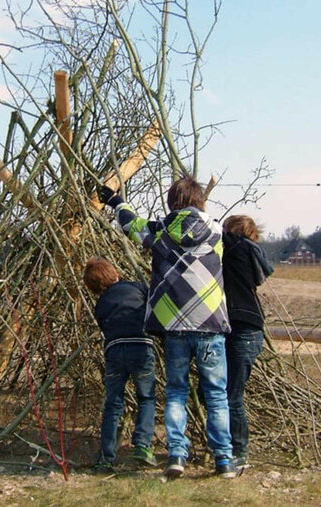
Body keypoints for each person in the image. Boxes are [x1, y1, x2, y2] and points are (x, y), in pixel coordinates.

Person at [98, 177, 237, 479]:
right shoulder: (216, 232)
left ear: (171, 202)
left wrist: (115, 201)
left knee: (176, 392)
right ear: (201, 200)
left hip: (174, 325)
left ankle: (177, 455)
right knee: (216, 395)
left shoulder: (160, 232)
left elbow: (132, 225)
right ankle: (224, 459)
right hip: (210, 323)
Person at [83, 257, 157, 471]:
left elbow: (103, 326)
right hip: (140, 347)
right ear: (114, 273)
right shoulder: (138, 288)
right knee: (146, 397)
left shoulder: (101, 303)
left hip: (114, 350)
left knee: (113, 403)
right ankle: (143, 445)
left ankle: (106, 457)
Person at [221, 215, 274, 469]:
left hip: (245, 331)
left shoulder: (237, 249)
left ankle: (239, 452)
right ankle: (225, 446)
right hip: (244, 329)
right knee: (224, 391)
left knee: (232, 395)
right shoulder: (244, 252)